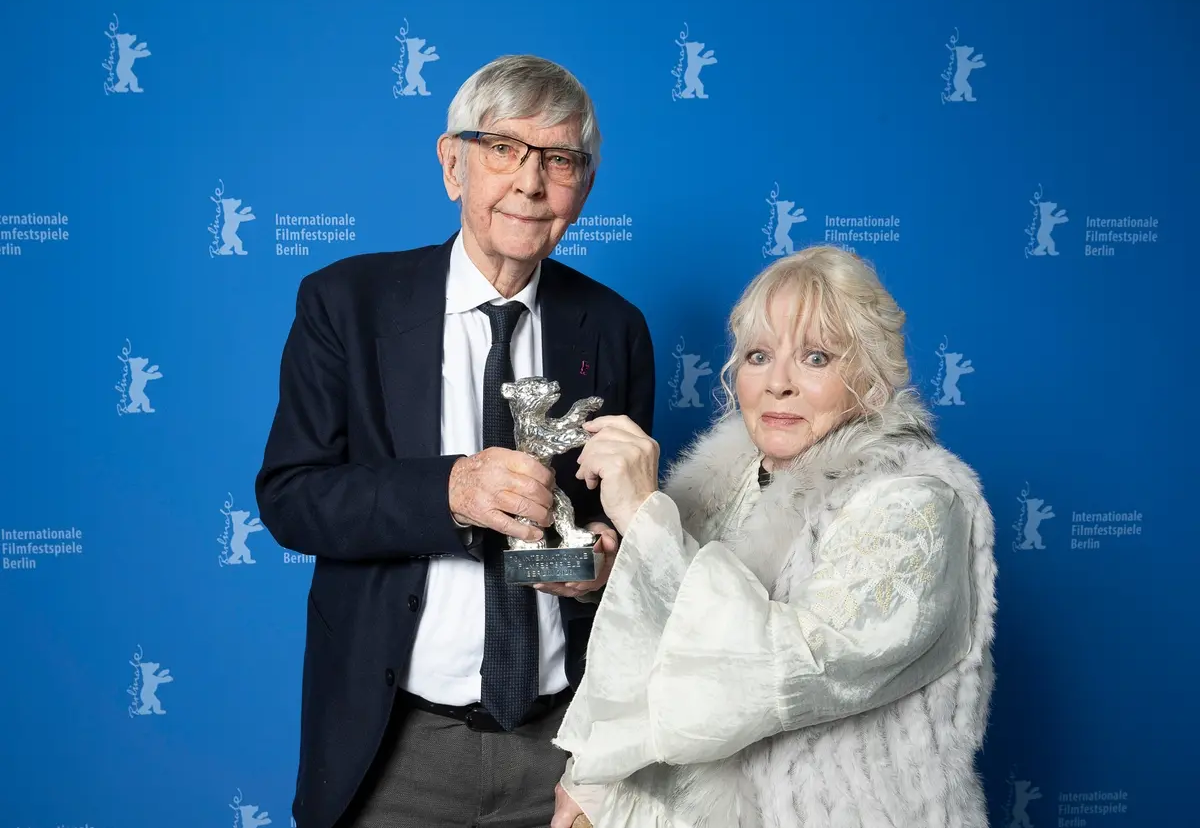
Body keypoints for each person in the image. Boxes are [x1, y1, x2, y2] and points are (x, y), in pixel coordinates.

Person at [254, 54, 656, 828]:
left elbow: (633, 537)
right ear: (453, 163)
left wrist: (604, 563)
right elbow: (291, 496)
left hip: (565, 749)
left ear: (585, 187)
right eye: (504, 148)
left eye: (560, 160)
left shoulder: (615, 328)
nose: (530, 182)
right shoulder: (345, 304)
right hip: (396, 744)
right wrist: (450, 491)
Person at [551, 245, 997, 828]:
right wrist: (597, 783)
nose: (778, 382)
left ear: (872, 377)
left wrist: (645, 520)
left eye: (816, 357)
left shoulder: (914, 503)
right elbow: (658, 646)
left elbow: (791, 668)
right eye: (759, 355)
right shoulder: (724, 479)